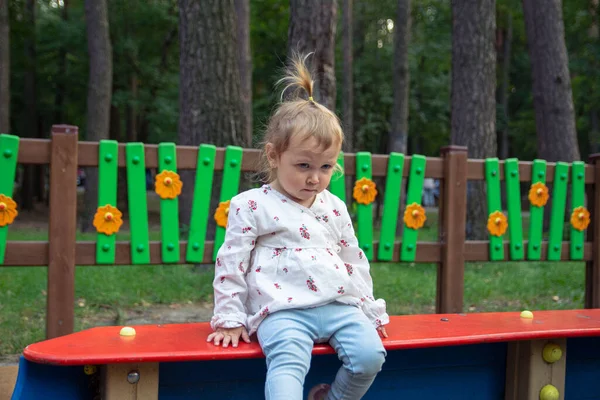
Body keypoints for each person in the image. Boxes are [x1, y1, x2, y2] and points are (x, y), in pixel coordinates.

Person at [206, 53, 389, 400]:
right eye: (304, 164)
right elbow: (231, 261)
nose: (314, 177)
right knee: (288, 366)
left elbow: (353, 259)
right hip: (282, 310)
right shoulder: (252, 205)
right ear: (274, 156)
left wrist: (369, 309)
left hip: (339, 306)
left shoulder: (334, 206)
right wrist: (229, 317)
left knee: (369, 357)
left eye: (325, 167)